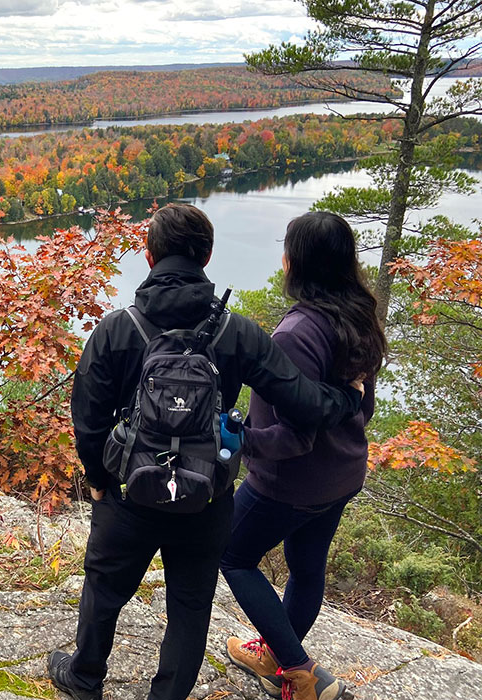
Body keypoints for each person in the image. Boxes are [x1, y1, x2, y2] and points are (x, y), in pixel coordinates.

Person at [48, 203, 365, 700]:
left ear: (150, 257)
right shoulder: (238, 333)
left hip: (131, 493)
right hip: (206, 497)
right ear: (209, 256)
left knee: (105, 589)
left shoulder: (116, 329)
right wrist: (349, 395)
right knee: (191, 605)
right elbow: (305, 404)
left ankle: (84, 678)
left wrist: (99, 478)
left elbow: (87, 417)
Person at [219, 212, 385, 700]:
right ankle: (275, 654)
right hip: (342, 474)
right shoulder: (358, 316)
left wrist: (239, 438)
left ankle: (299, 673)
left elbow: (293, 439)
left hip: (290, 484)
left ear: (295, 262)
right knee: (307, 566)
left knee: (232, 553)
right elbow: (363, 407)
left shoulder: (294, 335)